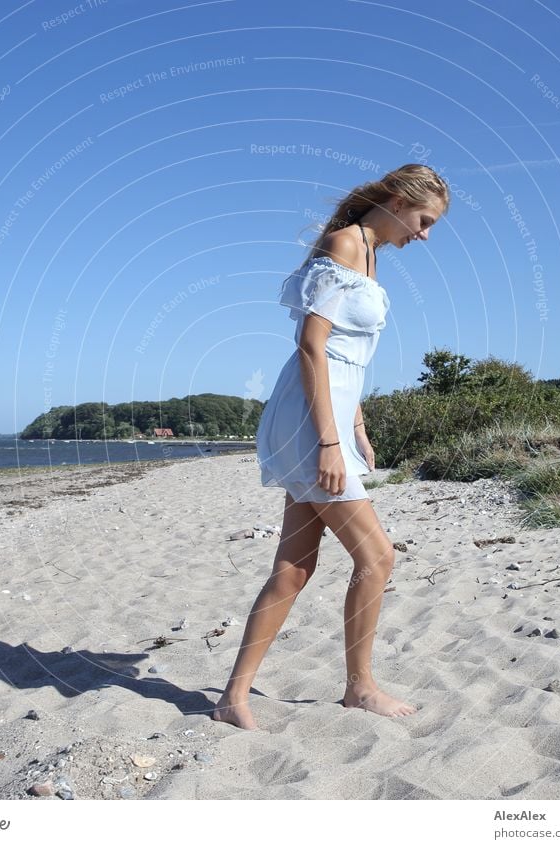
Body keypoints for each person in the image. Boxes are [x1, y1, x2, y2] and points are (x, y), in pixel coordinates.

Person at [213, 164, 450, 731]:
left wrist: (357, 424)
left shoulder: (370, 255)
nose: (424, 236)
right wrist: (328, 441)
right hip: (308, 422)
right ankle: (360, 687)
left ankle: (232, 698)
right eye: (423, 221)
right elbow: (311, 346)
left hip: (331, 417)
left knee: (294, 568)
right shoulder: (343, 244)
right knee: (378, 557)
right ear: (396, 201)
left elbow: (351, 354)